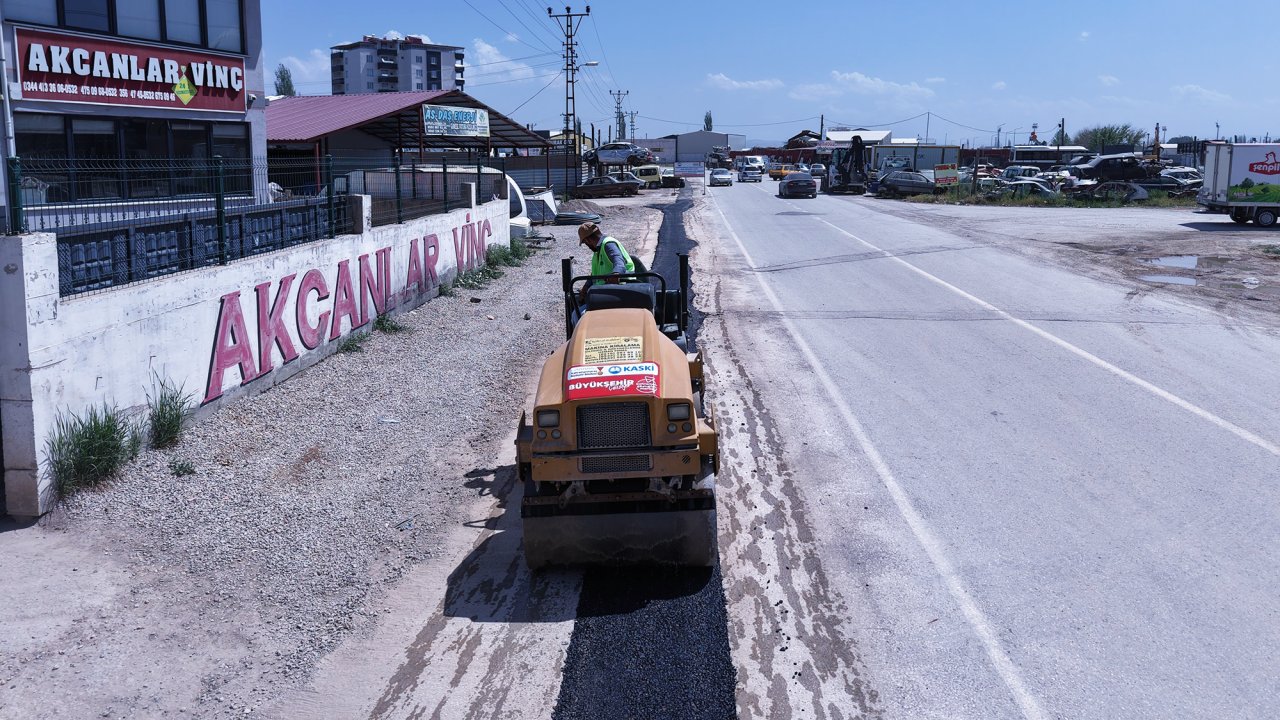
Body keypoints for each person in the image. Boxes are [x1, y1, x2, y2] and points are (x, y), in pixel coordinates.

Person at [576, 221, 636, 302]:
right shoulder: (598, 251)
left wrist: (616, 274)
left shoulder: (608, 244)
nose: (587, 246)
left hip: (621, 290)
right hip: (607, 291)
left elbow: (619, 262)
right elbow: (595, 275)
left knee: (579, 313)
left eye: (585, 243)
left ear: (588, 240)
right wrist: (585, 288)